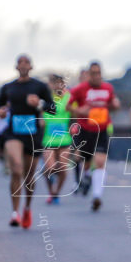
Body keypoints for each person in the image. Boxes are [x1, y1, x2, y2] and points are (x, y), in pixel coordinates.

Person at [0, 54, 56, 228]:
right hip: (13, 133)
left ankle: (27, 208)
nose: (23, 65)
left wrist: (39, 104)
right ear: (16, 67)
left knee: (29, 175)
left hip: (32, 134)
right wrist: (0, 111)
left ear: (31, 66)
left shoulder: (39, 86)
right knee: (16, 168)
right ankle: (14, 213)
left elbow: (52, 109)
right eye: (20, 62)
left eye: (26, 62)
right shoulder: (8, 87)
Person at [68, 61, 120, 211]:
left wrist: (115, 104)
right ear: (89, 74)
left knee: (100, 161)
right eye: (93, 73)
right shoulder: (80, 89)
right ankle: (85, 176)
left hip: (101, 130)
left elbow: (112, 103)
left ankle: (97, 196)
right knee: (82, 159)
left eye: (99, 73)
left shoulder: (108, 88)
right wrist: (80, 111)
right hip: (85, 130)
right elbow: (68, 106)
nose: (96, 76)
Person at [42, 74, 73, 204]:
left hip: (64, 139)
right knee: (50, 168)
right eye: (55, 83)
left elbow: (76, 113)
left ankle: (56, 192)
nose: (58, 86)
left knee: (63, 168)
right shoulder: (46, 99)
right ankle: (51, 190)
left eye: (61, 83)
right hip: (48, 139)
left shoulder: (69, 98)